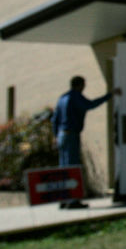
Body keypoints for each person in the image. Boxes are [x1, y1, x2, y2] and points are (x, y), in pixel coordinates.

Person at [52, 75, 121, 209]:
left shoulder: (63, 98)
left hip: (61, 135)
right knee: (73, 167)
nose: (84, 87)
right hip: (71, 135)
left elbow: (54, 119)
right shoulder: (75, 97)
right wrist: (110, 95)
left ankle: (63, 199)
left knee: (63, 167)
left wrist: (56, 136)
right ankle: (72, 201)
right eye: (84, 84)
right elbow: (90, 105)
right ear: (80, 85)